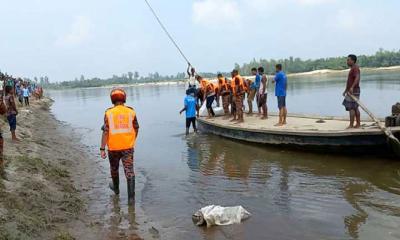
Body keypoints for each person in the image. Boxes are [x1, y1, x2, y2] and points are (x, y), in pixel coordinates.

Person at [100, 88, 139, 204]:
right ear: (124, 98)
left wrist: (102, 148)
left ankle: (116, 190)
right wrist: (132, 139)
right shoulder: (131, 112)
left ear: (112, 100)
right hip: (128, 147)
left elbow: (106, 131)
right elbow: (136, 128)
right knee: (129, 171)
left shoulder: (108, 113)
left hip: (113, 148)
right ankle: (131, 199)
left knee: (114, 169)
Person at [342, 55, 361, 129]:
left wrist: (352, 87)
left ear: (353, 61)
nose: (347, 61)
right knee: (355, 107)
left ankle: (351, 125)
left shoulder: (355, 68)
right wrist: (346, 90)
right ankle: (358, 124)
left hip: (354, 91)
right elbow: (350, 81)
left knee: (351, 108)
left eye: (348, 60)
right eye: (347, 60)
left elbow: (357, 77)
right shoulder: (353, 68)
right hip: (351, 90)